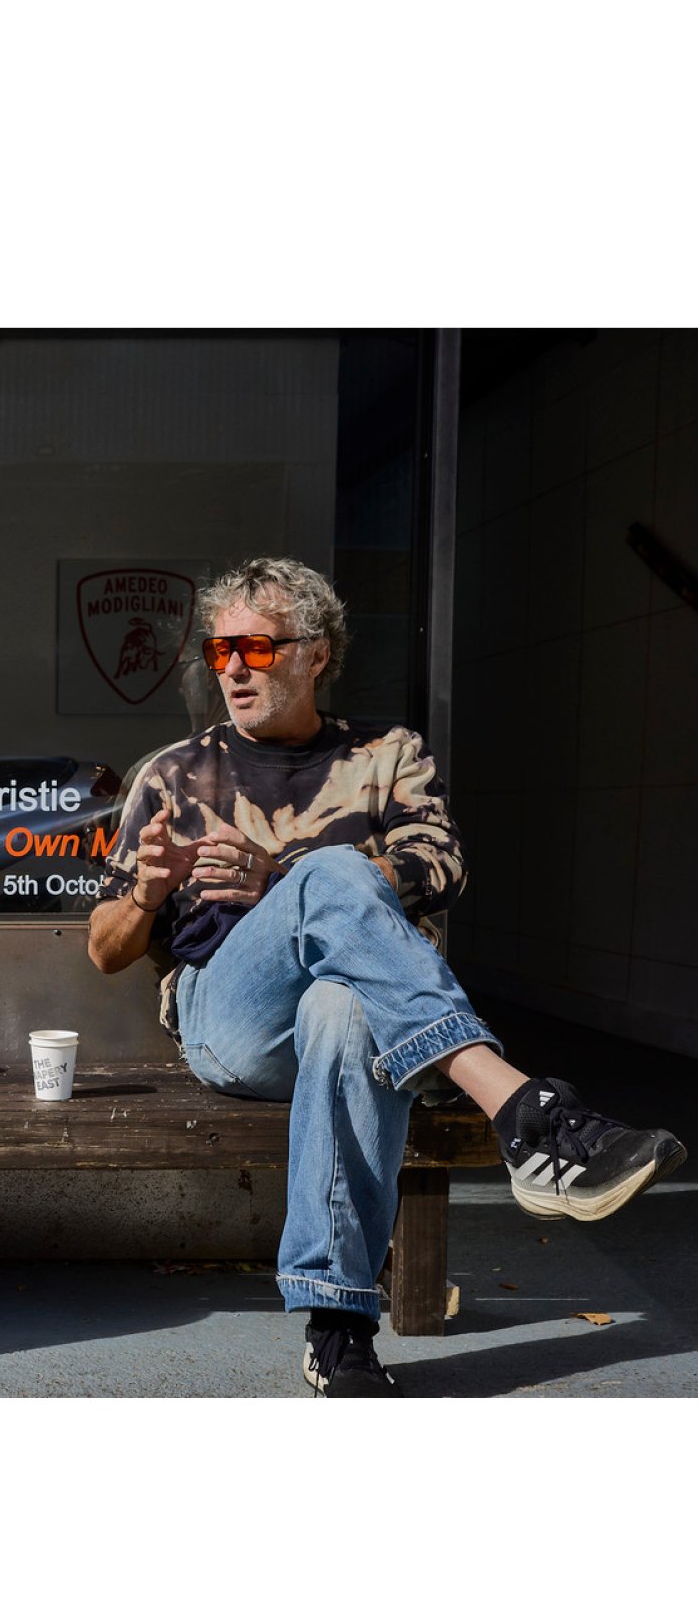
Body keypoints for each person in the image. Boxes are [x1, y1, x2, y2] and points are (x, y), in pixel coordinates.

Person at [88, 555, 685, 1398]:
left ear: (314, 654)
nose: (232, 669)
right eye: (219, 651)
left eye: (256, 648)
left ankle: (338, 1330)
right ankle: (525, 1111)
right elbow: (104, 950)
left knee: (343, 1003)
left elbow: (440, 866)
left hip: (367, 1025)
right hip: (230, 1018)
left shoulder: (386, 753)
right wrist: (149, 891)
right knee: (331, 876)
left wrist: (279, 875)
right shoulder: (172, 774)